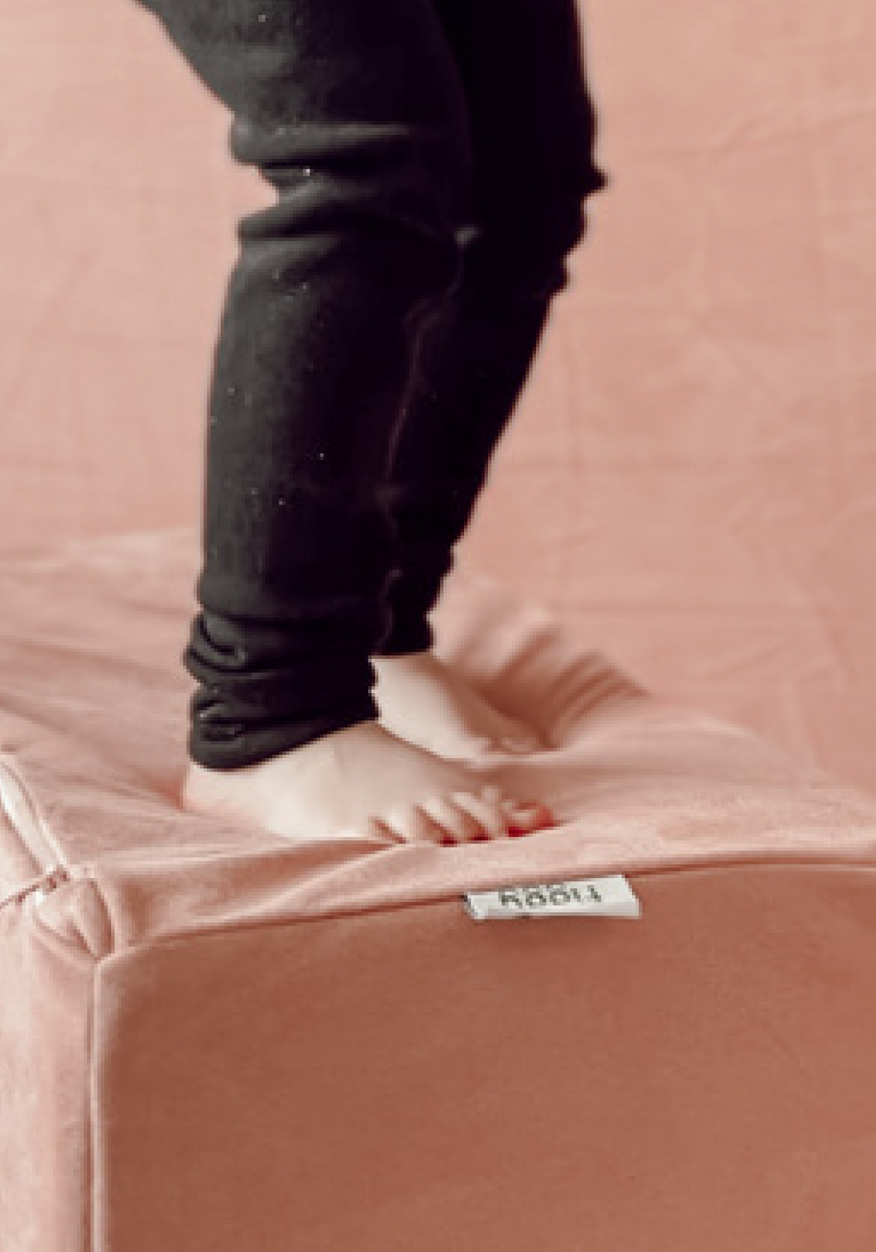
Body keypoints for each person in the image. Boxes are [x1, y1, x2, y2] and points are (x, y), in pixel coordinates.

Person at [127, 0, 608, 845]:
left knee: (520, 184)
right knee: (358, 154)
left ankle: (384, 622)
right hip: (274, 707)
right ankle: (272, 711)